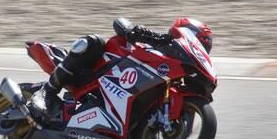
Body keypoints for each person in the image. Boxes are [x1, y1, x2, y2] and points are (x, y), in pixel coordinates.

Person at [29, 17, 173, 122]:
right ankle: (46, 93)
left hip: (116, 96)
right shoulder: (151, 45)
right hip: (93, 71)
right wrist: (136, 32)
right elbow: (120, 22)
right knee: (93, 42)